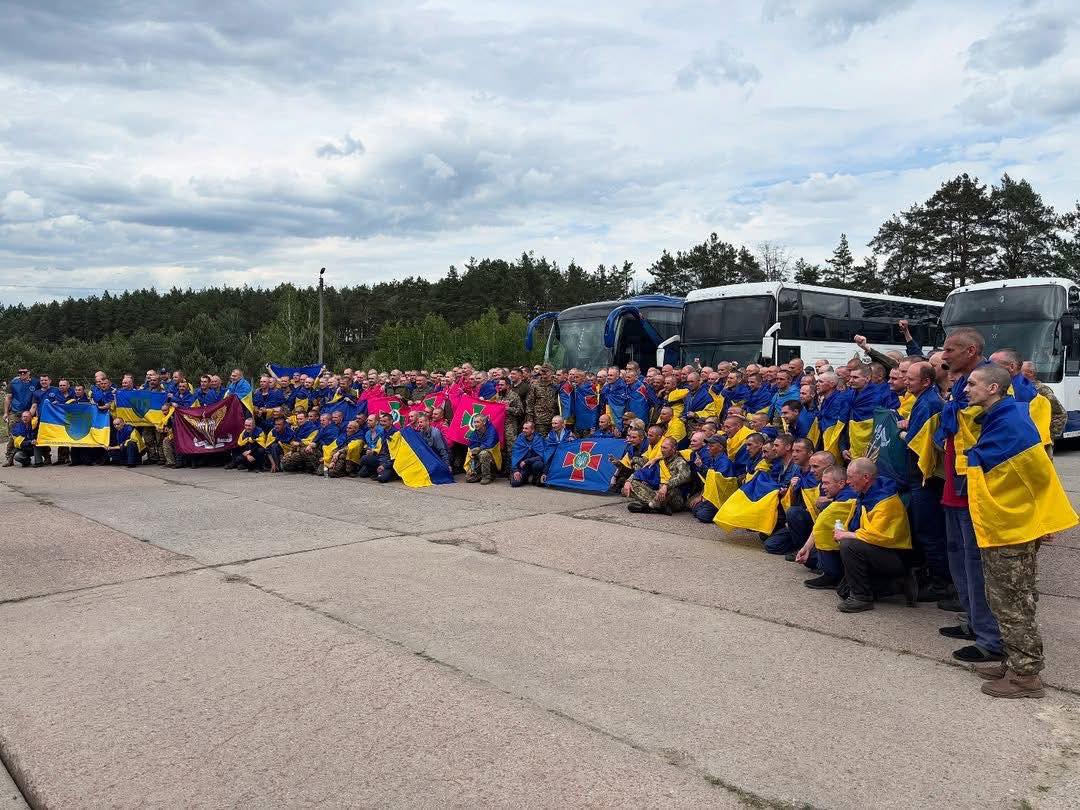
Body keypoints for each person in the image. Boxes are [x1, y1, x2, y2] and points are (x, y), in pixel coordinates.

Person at [962, 363, 1078, 698]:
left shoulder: (1011, 421)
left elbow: (1035, 475)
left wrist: (1038, 519)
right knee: (1004, 599)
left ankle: (1026, 676)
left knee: (1012, 600)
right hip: (1007, 525)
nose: (966, 389)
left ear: (994, 388)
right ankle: (1015, 662)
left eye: (972, 384)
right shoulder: (1000, 417)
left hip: (1012, 527)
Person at [936, 328, 1005, 664]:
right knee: (959, 557)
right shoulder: (962, 383)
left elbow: (955, 421)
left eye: (950, 349)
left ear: (971, 350)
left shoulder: (987, 383)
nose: (944, 355)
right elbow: (947, 423)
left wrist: (949, 412)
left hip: (971, 484)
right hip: (955, 482)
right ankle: (973, 622)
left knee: (975, 561)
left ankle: (991, 638)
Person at [833, 457, 916, 613]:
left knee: (849, 545)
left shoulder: (885, 500)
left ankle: (861, 598)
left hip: (896, 556)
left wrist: (848, 535)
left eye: (851, 477)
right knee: (843, 590)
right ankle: (895, 585)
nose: (848, 482)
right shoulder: (865, 494)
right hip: (878, 551)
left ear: (866, 477)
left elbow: (879, 536)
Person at [899, 361, 950, 602]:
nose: (905, 381)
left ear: (926, 382)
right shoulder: (925, 399)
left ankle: (940, 583)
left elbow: (918, 441)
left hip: (924, 480)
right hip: (920, 478)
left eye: (909, 378)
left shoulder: (929, 403)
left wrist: (902, 434)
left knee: (929, 532)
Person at [623, 436, 691, 515]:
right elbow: (644, 472)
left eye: (665, 448)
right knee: (632, 485)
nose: (662, 450)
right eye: (661, 447)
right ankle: (658, 507)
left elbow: (685, 476)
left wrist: (666, 485)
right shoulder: (660, 460)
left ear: (673, 449)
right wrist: (628, 481)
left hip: (674, 498)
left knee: (672, 489)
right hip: (658, 493)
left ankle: (649, 507)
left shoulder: (679, 462)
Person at [4, 368, 36, 466]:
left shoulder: (35, 382)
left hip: (30, 413)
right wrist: (6, 413)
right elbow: (8, 398)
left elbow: (44, 388)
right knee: (13, 435)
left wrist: (31, 413)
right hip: (15, 412)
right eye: (20, 372)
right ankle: (9, 458)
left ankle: (46, 456)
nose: (22, 374)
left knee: (37, 433)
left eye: (25, 372)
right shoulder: (13, 383)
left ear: (29, 373)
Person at [465, 412, 500, 484]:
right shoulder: (475, 432)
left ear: (484, 422)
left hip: (491, 457)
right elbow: (471, 447)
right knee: (469, 478)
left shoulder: (491, 430)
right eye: (474, 422)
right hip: (478, 457)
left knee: (483, 453)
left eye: (477, 422)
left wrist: (478, 449)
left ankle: (487, 476)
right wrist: (471, 468)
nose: (475, 424)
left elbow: (489, 444)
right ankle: (478, 473)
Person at [490, 377, 525, 450]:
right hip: (498, 426)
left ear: (508, 386)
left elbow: (520, 411)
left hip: (510, 426)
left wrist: (508, 408)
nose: (499, 386)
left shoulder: (514, 396)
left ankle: (512, 461)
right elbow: (489, 404)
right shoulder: (497, 395)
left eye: (502, 385)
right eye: (499, 385)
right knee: (500, 448)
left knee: (511, 448)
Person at [510, 421, 546, 487]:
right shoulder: (520, 439)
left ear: (532, 430)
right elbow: (514, 456)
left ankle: (535, 477)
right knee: (515, 483)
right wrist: (515, 471)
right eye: (523, 428)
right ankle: (526, 477)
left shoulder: (539, 439)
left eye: (526, 428)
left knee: (539, 464)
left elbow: (542, 456)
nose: (523, 430)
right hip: (523, 467)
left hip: (533, 464)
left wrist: (527, 461)